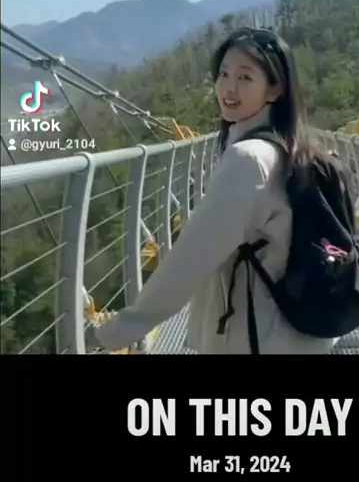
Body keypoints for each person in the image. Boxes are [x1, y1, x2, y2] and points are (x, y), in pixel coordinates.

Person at [94, 27, 340, 355]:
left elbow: (190, 261)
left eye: (245, 77)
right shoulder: (297, 147)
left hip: (257, 339)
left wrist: (113, 333)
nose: (229, 87)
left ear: (275, 89)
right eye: (223, 74)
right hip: (298, 334)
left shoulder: (248, 158)